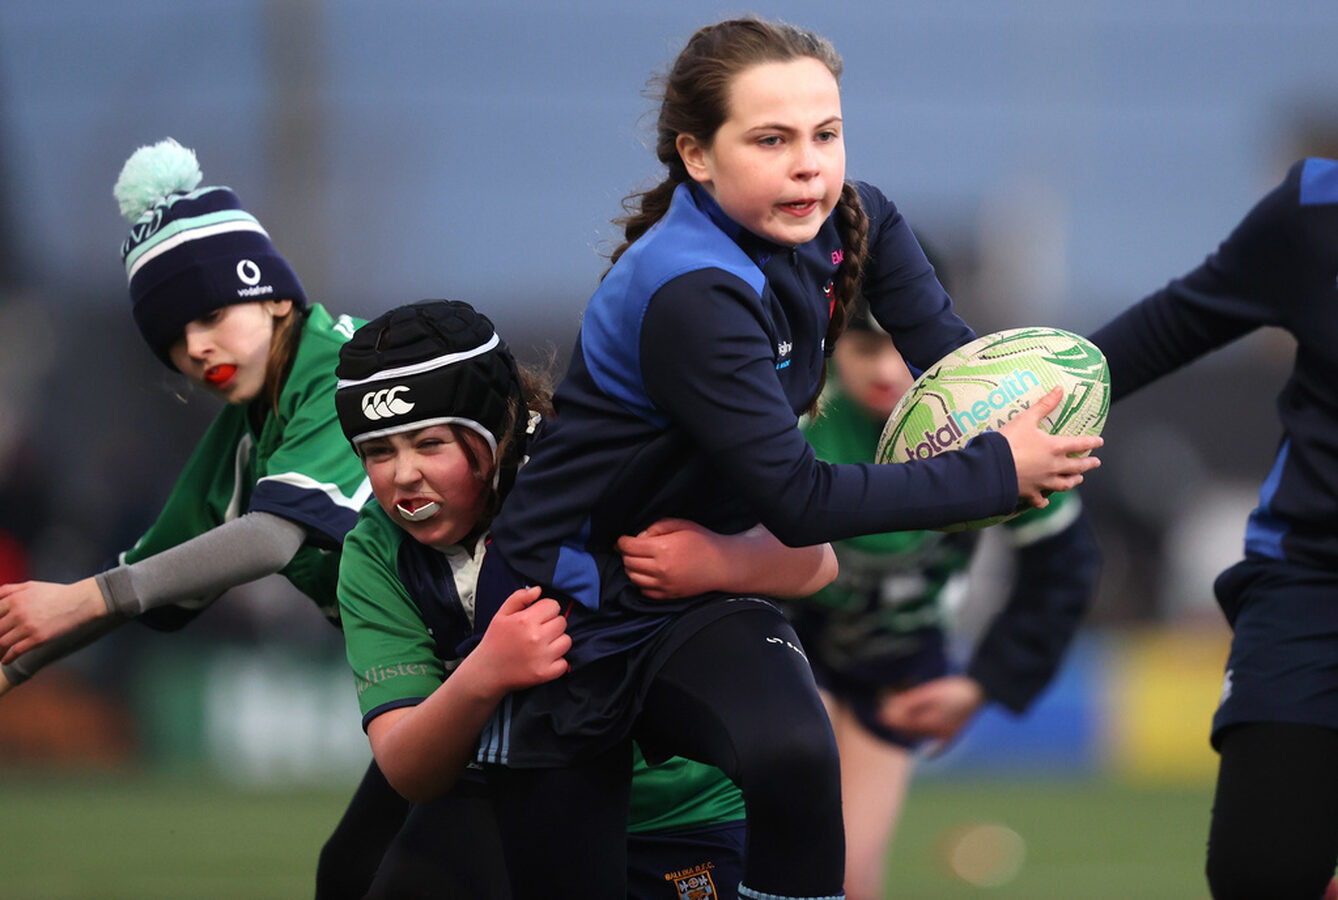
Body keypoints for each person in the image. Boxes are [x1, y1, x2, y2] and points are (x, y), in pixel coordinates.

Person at [468, 16, 1104, 900]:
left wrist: (1030, 414)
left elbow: (959, 377)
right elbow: (800, 502)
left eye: (825, 134)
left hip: (696, 591)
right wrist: (998, 473)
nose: (809, 164)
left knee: (796, 755)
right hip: (560, 608)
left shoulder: (857, 218)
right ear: (697, 155)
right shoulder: (692, 293)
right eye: (772, 140)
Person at [0, 137, 400, 899]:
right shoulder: (248, 430)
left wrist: (86, 598)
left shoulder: (344, 368)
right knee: (362, 874)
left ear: (274, 295)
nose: (195, 347)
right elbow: (142, 579)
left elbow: (271, 537)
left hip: (535, 643)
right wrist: (15, 663)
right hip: (459, 675)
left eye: (212, 313)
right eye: (174, 339)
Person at [332, 299, 838, 898]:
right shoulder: (374, 553)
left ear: (494, 429)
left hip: (683, 816)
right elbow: (406, 768)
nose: (403, 474)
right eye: (379, 452)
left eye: (429, 443)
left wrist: (715, 559)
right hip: (512, 806)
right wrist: (483, 674)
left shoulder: (600, 466)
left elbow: (816, 559)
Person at [782, 294, 1101, 899]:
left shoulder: (997, 428)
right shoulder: (796, 416)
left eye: (901, 347)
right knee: (790, 852)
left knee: (850, 879)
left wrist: (984, 683)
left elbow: (1066, 565)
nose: (885, 369)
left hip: (901, 665)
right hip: (791, 640)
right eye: (864, 346)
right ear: (832, 344)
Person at [1087, 156, 1338, 900]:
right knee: (1260, 873)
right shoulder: (1315, 209)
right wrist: (1019, 412)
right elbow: (1170, 325)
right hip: (1312, 583)